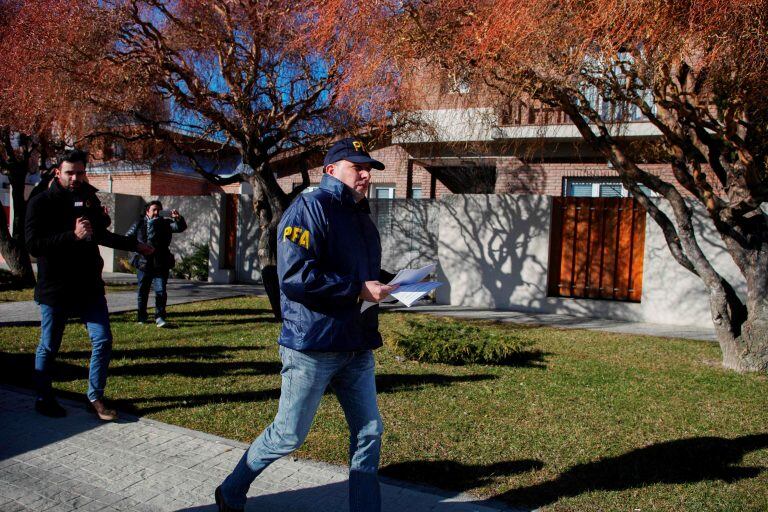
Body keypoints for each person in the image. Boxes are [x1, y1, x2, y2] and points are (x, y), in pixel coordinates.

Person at [215, 138, 398, 512]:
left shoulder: (361, 216)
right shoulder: (309, 208)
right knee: (288, 435)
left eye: (369, 169)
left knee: (369, 431)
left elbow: (359, 275)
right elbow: (296, 275)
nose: (365, 175)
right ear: (330, 170)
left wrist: (397, 284)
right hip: (313, 345)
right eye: (356, 167)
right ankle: (231, 489)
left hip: (356, 344)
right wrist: (359, 289)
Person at [25, 149, 154, 420]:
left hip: (88, 288)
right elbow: (34, 245)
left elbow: (102, 235)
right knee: (49, 346)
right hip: (55, 288)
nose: (75, 178)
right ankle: (42, 396)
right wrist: (72, 236)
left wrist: (136, 245)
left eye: (80, 172)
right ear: (57, 172)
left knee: (103, 339)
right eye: (69, 172)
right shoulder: (40, 203)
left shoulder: (88, 198)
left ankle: (94, 397)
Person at [126, 200, 187, 327]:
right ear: (147, 211)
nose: (156, 212)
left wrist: (178, 218)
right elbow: (128, 238)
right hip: (143, 263)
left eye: (159, 210)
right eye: (154, 209)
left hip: (161, 263)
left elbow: (180, 227)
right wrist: (137, 251)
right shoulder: (139, 223)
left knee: (160, 291)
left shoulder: (165, 223)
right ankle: (142, 317)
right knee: (143, 291)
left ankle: (160, 317)